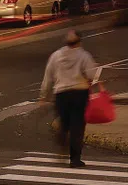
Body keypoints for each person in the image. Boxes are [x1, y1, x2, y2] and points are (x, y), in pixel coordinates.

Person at [39, 30, 97, 168]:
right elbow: (91, 74)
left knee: (64, 123)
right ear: (79, 41)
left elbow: (48, 77)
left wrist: (43, 96)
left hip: (61, 94)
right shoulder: (84, 55)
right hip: (79, 93)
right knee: (77, 126)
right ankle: (75, 159)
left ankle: (62, 142)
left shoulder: (56, 56)